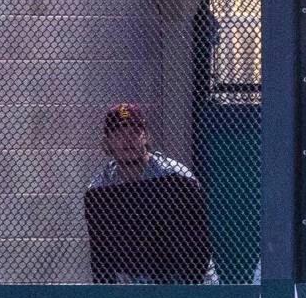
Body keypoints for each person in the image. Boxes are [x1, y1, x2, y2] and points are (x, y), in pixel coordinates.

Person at [85, 102, 218, 285]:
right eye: (118, 133)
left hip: (186, 282)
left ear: (145, 136)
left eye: (134, 132)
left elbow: (197, 248)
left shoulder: (176, 179)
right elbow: (100, 255)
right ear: (107, 141)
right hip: (135, 285)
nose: (127, 139)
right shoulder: (100, 190)